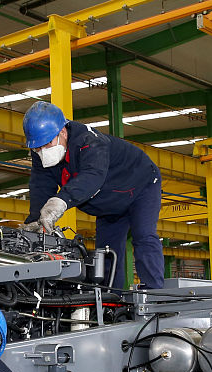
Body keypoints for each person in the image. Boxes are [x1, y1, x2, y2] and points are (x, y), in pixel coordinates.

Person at [22, 100, 165, 290]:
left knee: (144, 236)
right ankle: (111, 301)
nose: (42, 152)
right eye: (37, 148)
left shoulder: (90, 142)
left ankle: (154, 295)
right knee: (106, 254)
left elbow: (92, 176)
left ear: (62, 132)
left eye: (46, 144)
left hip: (141, 186)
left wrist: (61, 201)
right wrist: (35, 220)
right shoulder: (41, 153)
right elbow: (40, 185)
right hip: (108, 204)